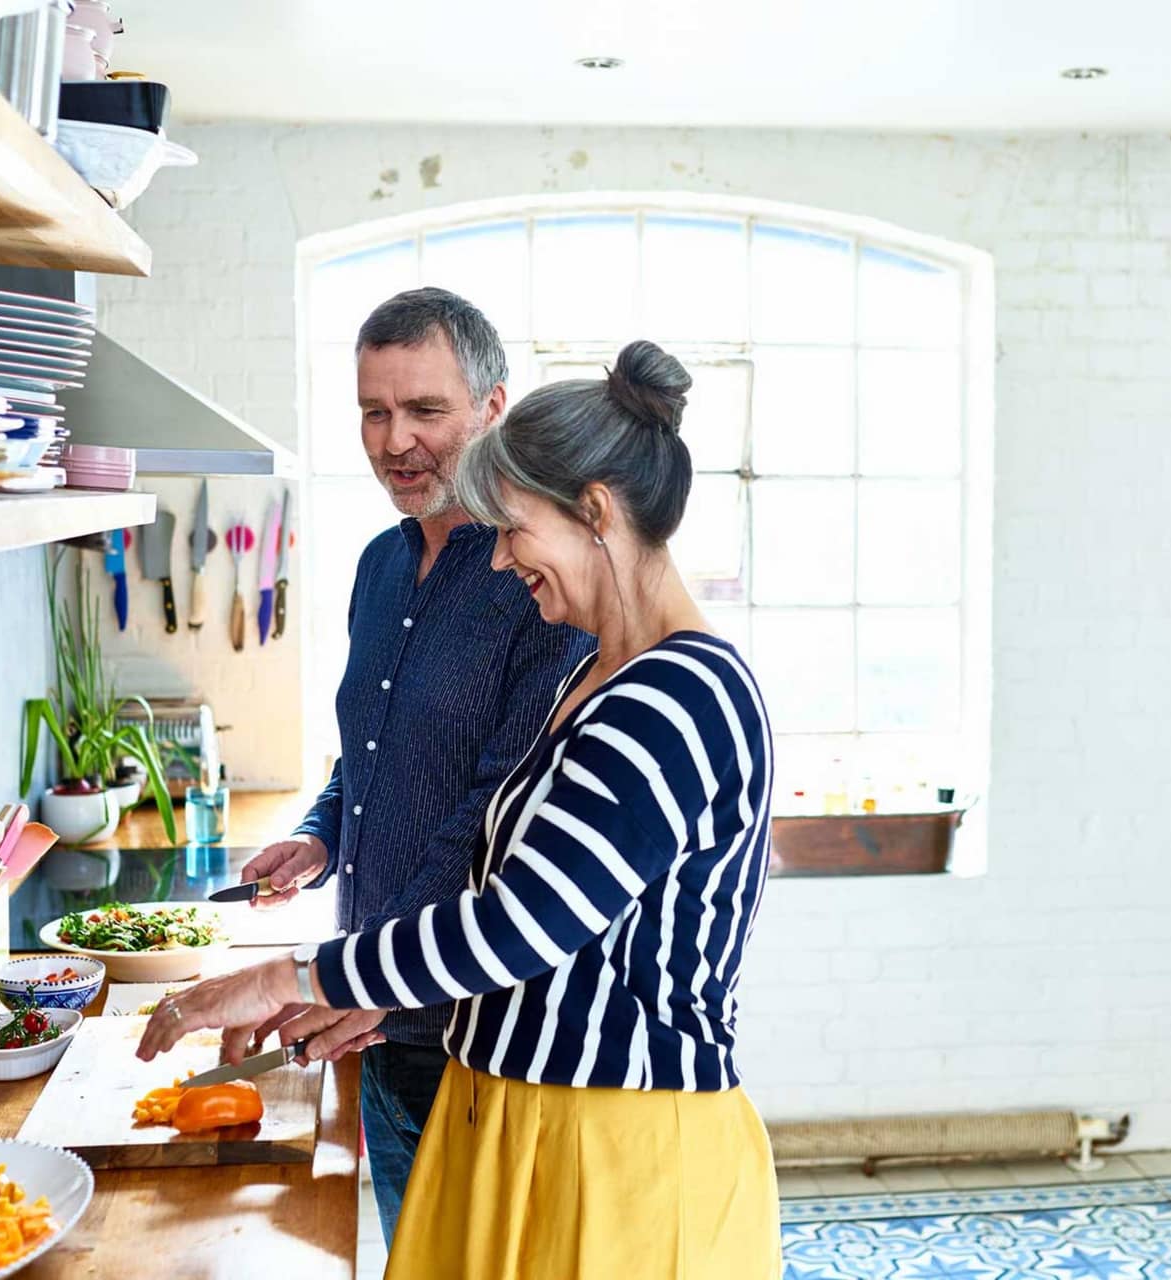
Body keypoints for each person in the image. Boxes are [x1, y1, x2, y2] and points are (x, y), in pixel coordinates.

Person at [140, 341, 781, 1278]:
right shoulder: (607, 673)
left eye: (517, 528)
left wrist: (292, 977)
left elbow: (518, 926)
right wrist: (374, 987)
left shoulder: (678, 698)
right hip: (529, 1118)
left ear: (595, 512)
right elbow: (511, 884)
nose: (505, 555)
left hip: (613, 1147)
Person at [239, 287, 590, 1246]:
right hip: (377, 1025)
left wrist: (360, 979)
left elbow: (490, 816)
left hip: (478, 1042)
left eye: (425, 410)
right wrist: (318, 835)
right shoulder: (377, 567)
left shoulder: (536, 584)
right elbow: (372, 753)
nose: (396, 440)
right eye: (373, 410)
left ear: (492, 408)